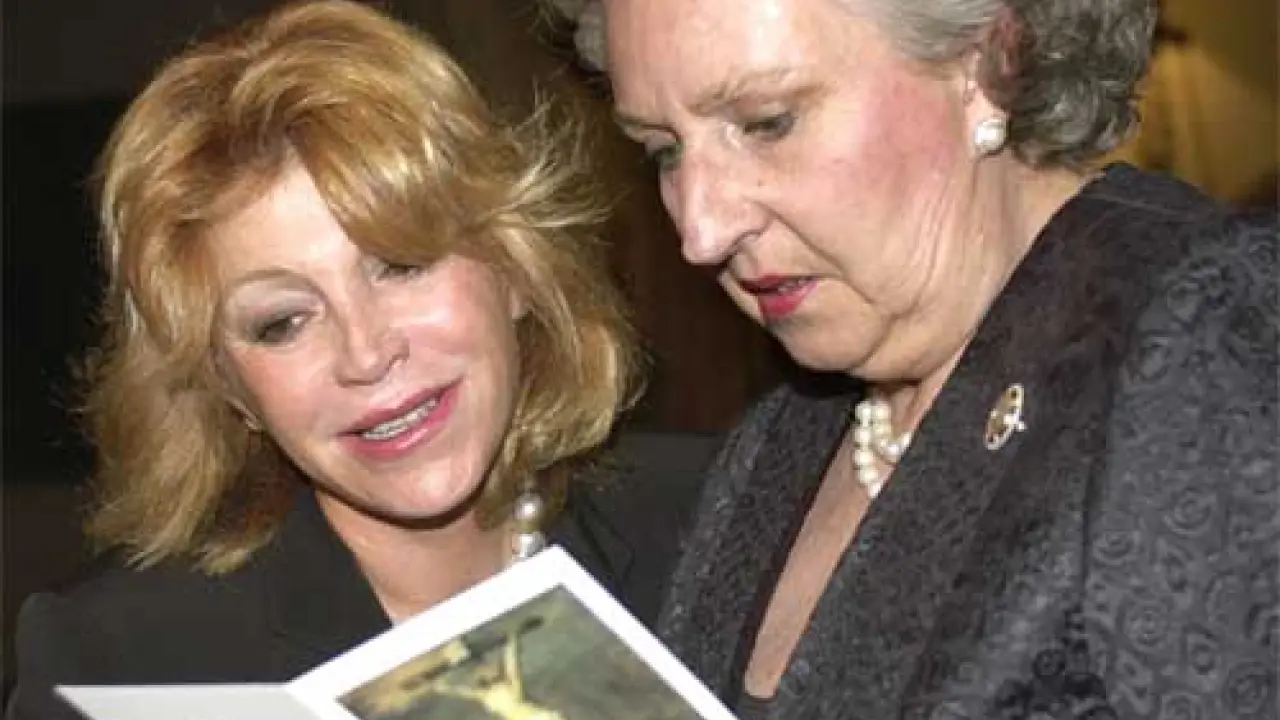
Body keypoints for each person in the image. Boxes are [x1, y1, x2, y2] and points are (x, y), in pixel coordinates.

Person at [550, 0, 1280, 717]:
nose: (701, 230)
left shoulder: (1198, 333)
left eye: (767, 122)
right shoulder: (783, 436)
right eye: (664, 151)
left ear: (989, 65)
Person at [4, 2, 702, 717]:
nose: (366, 353)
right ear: (228, 386)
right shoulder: (122, 666)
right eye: (283, 323)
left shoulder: (716, 521)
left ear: (516, 269)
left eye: (401, 265)